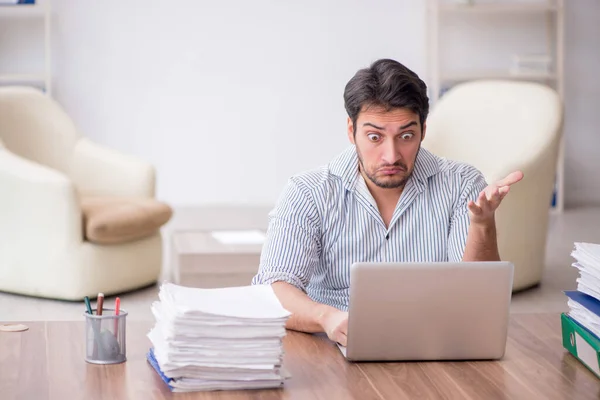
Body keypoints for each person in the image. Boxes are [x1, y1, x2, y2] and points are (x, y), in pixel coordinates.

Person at [251, 58, 523, 347]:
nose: (391, 155)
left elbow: (477, 300)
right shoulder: (307, 192)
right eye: (374, 137)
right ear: (350, 130)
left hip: (436, 344)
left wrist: (482, 225)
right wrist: (326, 317)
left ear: (423, 131)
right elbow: (273, 289)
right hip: (333, 346)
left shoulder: (462, 184)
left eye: (406, 136)